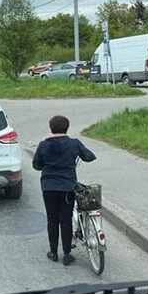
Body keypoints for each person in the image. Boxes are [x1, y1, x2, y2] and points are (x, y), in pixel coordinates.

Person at [32, 114, 96, 266]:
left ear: (51, 128)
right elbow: (89, 156)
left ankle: (53, 253)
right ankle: (67, 255)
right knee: (65, 220)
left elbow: (36, 165)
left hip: (48, 187)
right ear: (67, 127)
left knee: (52, 219)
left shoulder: (43, 145)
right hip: (67, 187)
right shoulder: (74, 144)